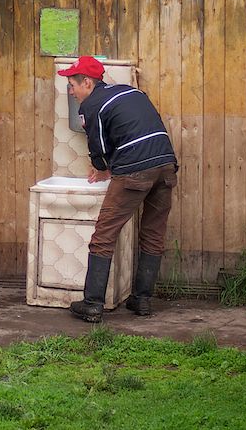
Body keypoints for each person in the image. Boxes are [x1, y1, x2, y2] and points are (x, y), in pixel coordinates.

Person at [59, 56, 178, 323]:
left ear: (87, 82)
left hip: (135, 172)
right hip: (166, 165)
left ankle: (92, 304)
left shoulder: (91, 105)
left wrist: (103, 168)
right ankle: (142, 299)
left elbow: (98, 150)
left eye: (72, 85)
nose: (71, 91)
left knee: (103, 235)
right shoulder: (132, 92)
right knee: (153, 234)